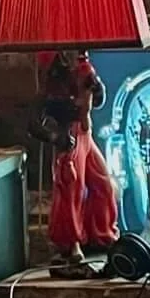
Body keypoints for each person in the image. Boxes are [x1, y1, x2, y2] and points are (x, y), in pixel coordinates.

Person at [32, 49, 118, 269]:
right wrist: (55, 137)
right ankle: (71, 243)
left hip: (85, 135)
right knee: (71, 190)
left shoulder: (81, 77)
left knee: (103, 183)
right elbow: (33, 125)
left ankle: (102, 234)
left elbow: (96, 101)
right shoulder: (52, 95)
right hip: (69, 136)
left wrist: (97, 88)